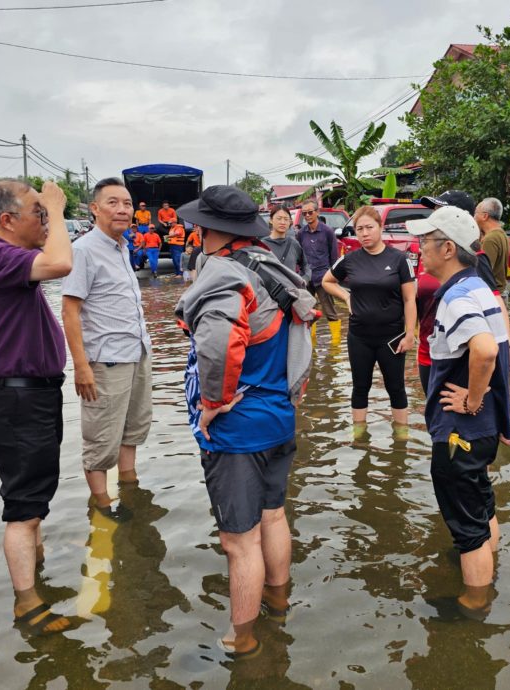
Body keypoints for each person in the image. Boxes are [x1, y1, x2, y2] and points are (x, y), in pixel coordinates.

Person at [175, 185, 315, 658]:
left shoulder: (222, 273)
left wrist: (213, 401)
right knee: (273, 515)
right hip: (278, 416)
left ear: (208, 230)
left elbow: (218, 343)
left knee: (239, 541)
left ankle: (244, 641)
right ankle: (279, 603)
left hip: (240, 429)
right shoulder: (270, 265)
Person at [0, 179, 73, 635]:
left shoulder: (5, 259)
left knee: (32, 500)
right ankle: (27, 606)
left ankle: (35, 572)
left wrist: (49, 215)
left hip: (30, 395)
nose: (44, 220)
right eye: (37, 212)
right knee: (23, 507)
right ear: (7, 220)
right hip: (17, 398)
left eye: (45, 213)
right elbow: (62, 262)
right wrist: (60, 209)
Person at [405, 205, 510, 615]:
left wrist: (472, 399)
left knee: (467, 526)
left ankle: (473, 604)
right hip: (484, 429)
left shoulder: (456, 296)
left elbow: (486, 351)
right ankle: (486, 564)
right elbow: (501, 351)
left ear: (448, 248)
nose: (419, 248)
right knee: (481, 499)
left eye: (425, 241)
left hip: (461, 432)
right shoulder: (478, 287)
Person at [61, 178, 153, 520]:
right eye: (113, 202)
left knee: (132, 431)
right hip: (106, 361)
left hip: (136, 352)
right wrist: (81, 366)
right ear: (95, 209)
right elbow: (70, 311)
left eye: (127, 204)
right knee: (101, 440)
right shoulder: (84, 249)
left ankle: (130, 490)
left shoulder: (123, 247)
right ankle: (103, 506)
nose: (123, 209)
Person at [321, 206, 416, 431]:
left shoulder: (399, 259)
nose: (364, 233)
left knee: (396, 387)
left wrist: (410, 334)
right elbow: (327, 281)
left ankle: (401, 436)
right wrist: (346, 295)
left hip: (392, 337)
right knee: (359, 386)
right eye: (359, 229)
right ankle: (359, 434)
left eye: (369, 227)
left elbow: (409, 299)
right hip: (359, 337)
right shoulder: (350, 260)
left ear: (380, 228)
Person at [418, 191, 510, 391]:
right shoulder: (430, 254)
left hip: (456, 354)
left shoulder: (470, 260)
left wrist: (507, 347)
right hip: (429, 349)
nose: (434, 216)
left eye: (440, 210)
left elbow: (495, 302)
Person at [297, 199, 341, 340]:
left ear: (317, 212)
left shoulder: (327, 232)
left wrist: (333, 278)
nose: (308, 216)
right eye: (304, 213)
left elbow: (334, 256)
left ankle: (335, 345)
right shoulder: (301, 233)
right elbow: (299, 256)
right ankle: (311, 342)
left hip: (324, 278)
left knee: (330, 312)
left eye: (310, 212)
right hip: (307, 278)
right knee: (309, 312)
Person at [475, 198, 510, 300]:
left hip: (491, 296)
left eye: (476, 212)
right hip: (500, 293)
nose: (474, 216)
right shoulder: (501, 234)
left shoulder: (490, 239)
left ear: (485, 216)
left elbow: (483, 273)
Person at [264, 205, 308, 279]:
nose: (282, 222)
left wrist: (304, 280)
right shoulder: (262, 245)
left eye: (286, 219)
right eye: (279, 218)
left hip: (292, 289)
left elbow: (306, 265)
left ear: (290, 222)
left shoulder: (294, 244)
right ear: (271, 220)